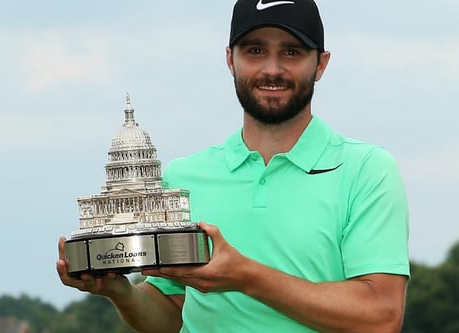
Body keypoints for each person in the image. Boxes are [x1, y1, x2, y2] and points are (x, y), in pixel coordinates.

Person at [56, 0, 410, 332]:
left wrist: (246, 276)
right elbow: (173, 313)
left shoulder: (367, 170)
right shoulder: (183, 177)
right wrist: (120, 292)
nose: (272, 69)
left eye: (292, 51)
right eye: (255, 51)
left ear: (320, 64)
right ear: (230, 59)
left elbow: (381, 316)